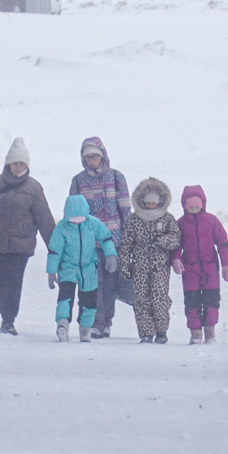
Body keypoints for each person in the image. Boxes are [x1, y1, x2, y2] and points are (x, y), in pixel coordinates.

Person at [0, 138, 55, 334]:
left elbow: (44, 218)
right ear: (8, 163)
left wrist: (55, 248)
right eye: (15, 163)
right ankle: (4, 314)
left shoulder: (34, 189)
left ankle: (9, 319)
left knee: (15, 282)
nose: (18, 167)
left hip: (21, 246)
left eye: (22, 164)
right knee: (1, 281)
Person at [68, 136, 130, 338]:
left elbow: (125, 209)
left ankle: (105, 323)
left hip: (113, 239)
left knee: (111, 283)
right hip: (88, 240)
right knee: (92, 282)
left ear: (102, 156)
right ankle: (94, 321)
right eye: (88, 158)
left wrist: (129, 238)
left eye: (95, 157)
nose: (92, 161)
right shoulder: (78, 181)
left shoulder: (116, 177)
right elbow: (73, 210)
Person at [117, 177, 180, 343]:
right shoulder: (133, 219)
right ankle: (145, 332)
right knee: (141, 300)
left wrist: (161, 241)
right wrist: (124, 264)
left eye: (153, 203)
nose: (150, 206)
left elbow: (175, 239)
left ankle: (161, 331)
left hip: (160, 267)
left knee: (159, 298)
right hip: (139, 266)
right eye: (148, 203)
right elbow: (126, 244)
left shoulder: (167, 219)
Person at [46, 194, 117, 342]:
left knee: (89, 301)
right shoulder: (62, 228)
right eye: (73, 220)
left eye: (80, 220)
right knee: (65, 298)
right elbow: (54, 250)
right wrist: (52, 271)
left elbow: (106, 238)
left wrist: (111, 255)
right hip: (68, 268)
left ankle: (85, 328)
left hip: (89, 268)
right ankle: (62, 324)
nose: (77, 223)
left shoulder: (93, 223)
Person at [173, 184, 228, 344]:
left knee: (211, 300)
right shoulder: (181, 224)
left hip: (210, 269)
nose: (193, 208)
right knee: (192, 301)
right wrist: (176, 259)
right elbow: (175, 245)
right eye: (190, 206)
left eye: (196, 206)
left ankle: (210, 330)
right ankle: (195, 332)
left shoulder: (211, 221)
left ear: (202, 205)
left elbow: (223, 243)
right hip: (190, 270)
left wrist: (227, 265)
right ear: (185, 206)